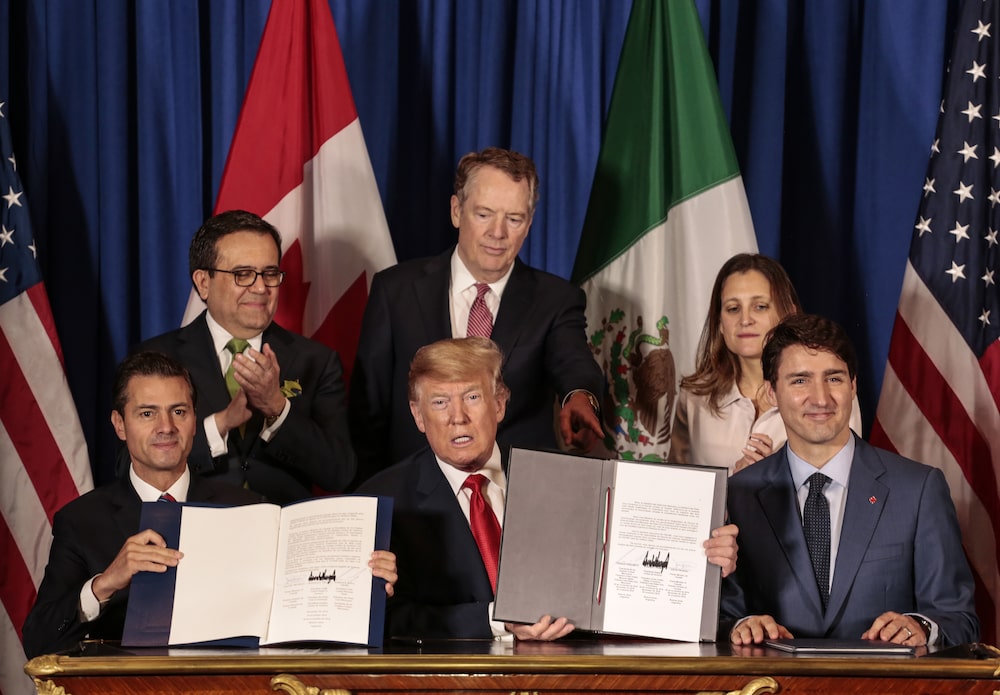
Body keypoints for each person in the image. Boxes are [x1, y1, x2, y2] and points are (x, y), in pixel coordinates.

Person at [357, 337, 738, 640]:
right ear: (418, 416)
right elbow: (390, 621)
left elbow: (628, 572)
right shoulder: (382, 501)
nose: (458, 417)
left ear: (500, 405)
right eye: (440, 402)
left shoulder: (567, 477)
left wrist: (702, 560)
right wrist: (501, 621)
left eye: (473, 397)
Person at [21, 352, 397, 658]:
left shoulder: (250, 510)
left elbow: (294, 618)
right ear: (120, 425)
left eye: (179, 411)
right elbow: (38, 642)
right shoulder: (81, 520)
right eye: (147, 413)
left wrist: (365, 587)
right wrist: (103, 585)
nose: (166, 426)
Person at [350, 147, 605, 486]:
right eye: (484, 214)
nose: (497, 233)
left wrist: (580, 397)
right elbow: (369, 413)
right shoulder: (395, 291)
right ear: (457, 211)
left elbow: (575, 364)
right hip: (413, 500)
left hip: (513, 496)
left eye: (513, 219)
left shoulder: (555, 300)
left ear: (528, 224)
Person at [722, 314, 978, 647]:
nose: (821, 398)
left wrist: (922, 627)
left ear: (854, 385)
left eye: (834, 378)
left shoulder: (919, 490)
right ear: (771, 392)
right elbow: (718, 615)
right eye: (800, 380)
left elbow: (960, 619)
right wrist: (738, 626)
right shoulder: (739, 495)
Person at [134, 210, 355, 503]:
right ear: (203, 282)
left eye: (270, 273)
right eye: (243, 275)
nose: (261, 287)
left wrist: (277, 408)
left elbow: (340, 472)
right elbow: (127, 464)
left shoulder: (315, 360)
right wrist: (220, 424)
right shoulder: (156, 358)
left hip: (282, 536)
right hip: (193, 532)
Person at [669, 253, 862, 474]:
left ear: (788, 312)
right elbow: (678, 491)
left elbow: (841, 483)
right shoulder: (694, 396)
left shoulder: (828, 393)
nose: (745, 320)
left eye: (760, 306)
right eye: (733, 308)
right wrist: (734, 481)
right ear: (719, 323)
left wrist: (772, 476)